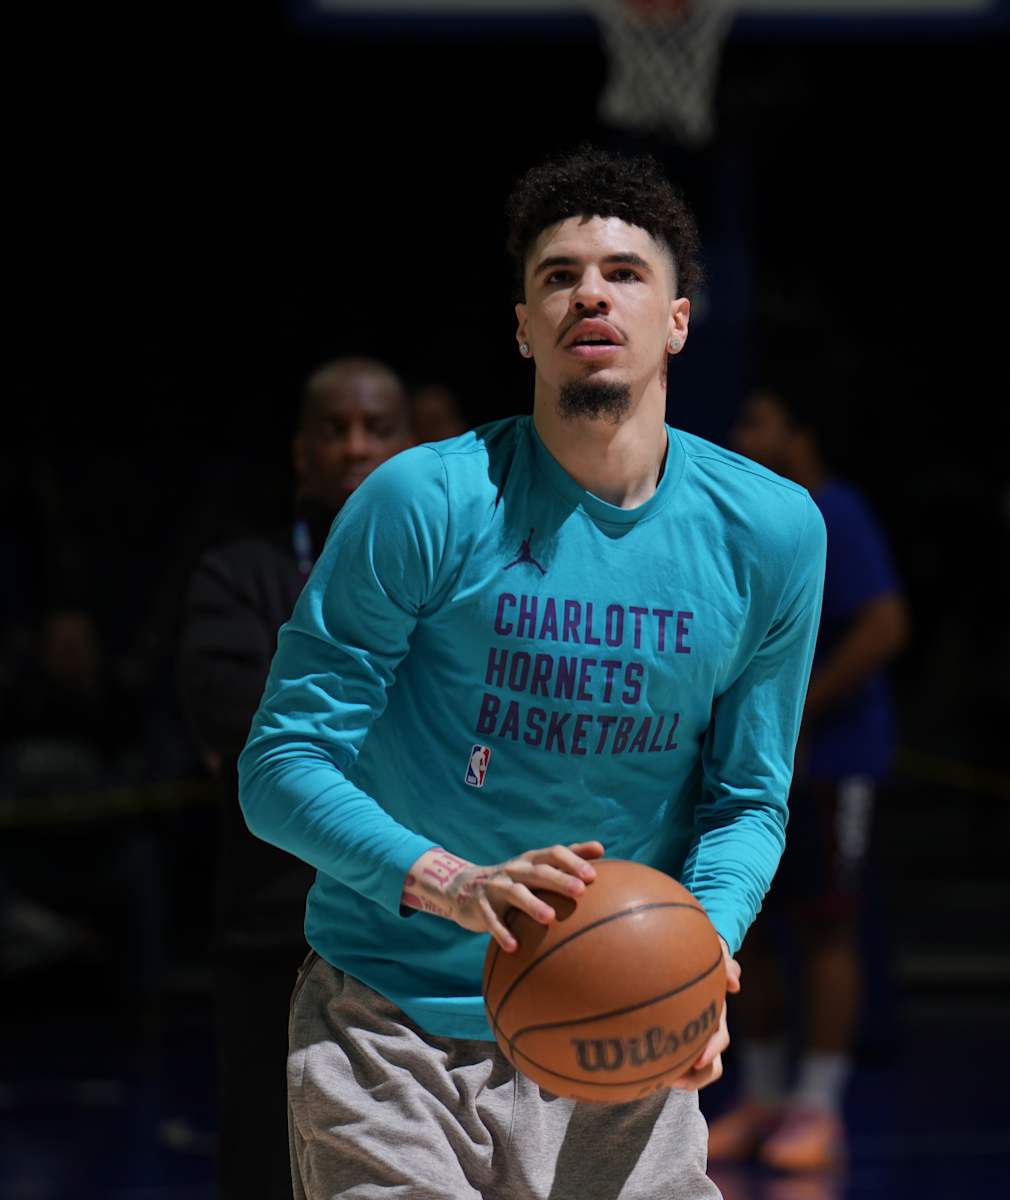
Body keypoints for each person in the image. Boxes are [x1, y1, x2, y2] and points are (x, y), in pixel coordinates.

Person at [238, 148, 826, 1200]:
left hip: (621, 1034)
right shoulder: (422, 501)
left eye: (624, 272)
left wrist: (698, 958)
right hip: (396, 1024)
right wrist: (453, 885)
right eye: (558, 276)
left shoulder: (772, 533)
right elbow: (280, 765)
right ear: (522, 328)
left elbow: (748, 798)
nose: (589, 291)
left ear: (679, 320)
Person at [176, 356, 414, 1200]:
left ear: (411, 445)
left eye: (377, 429)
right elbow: (253, 736)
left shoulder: (465, 580)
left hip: (420, 936)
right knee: (268, 1169)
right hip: (275, 930)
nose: (355, 447)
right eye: (334, 429)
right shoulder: (236, 576)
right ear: (300, 451)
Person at [710, 382, 909, 1172]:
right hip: (750, 766)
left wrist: (798, 712)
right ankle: (760, 1095)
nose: (739, 434)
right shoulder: (746, 518)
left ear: (802, 434)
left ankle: (820, 1107)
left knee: (828, 928)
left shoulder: (835, 511)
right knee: (745, 924)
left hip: (832, 764)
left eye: (756, 420)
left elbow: (886, 625)